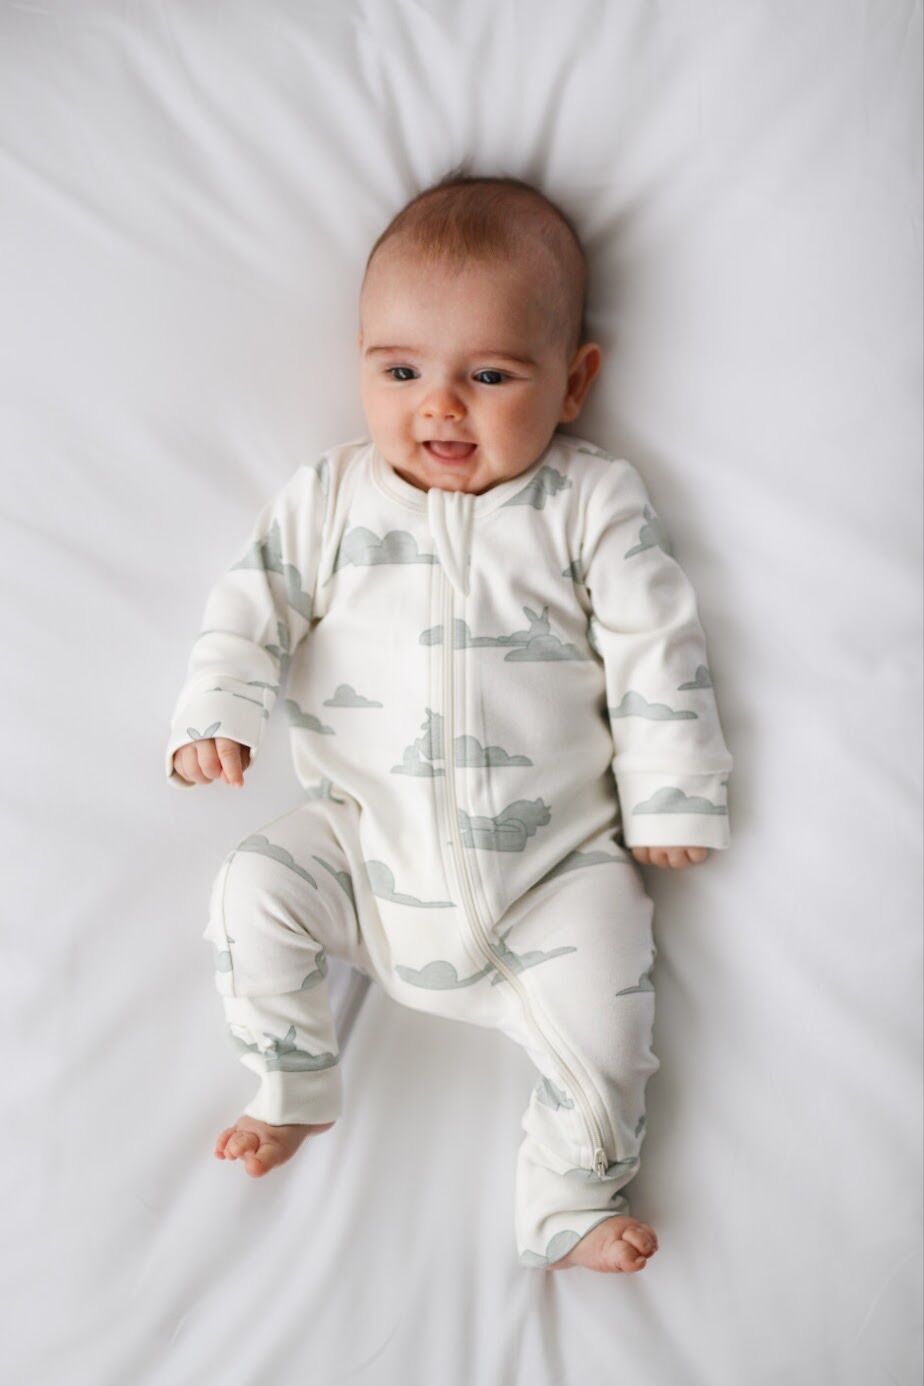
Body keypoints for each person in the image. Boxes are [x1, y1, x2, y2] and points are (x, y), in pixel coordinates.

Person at [164, 169, 734, 1273]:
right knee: (250, 889)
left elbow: (656, 643)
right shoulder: (327, 499)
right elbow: (251, 606)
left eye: (489, 374)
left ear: (574, 384)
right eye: (401, 370)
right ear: (361, 368)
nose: (439, 406)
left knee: (614, 1017)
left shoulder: (590, 501)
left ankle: (568, 1197)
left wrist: (674, 790)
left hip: (554, 874)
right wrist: (218, 712)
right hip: (364, 852)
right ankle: (292, 1083)